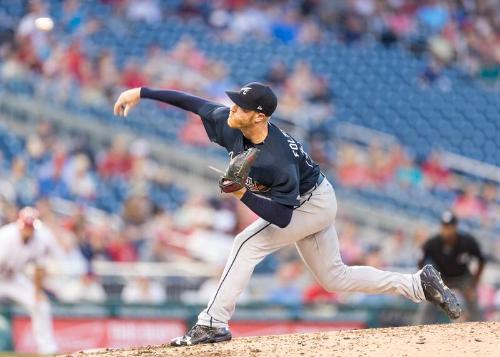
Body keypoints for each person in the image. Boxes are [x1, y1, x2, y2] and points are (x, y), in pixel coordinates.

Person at [113, 82, 461, 347]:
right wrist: (141, 92)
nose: (234, 107)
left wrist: (242, 194)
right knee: (334, 279)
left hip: (312, 202)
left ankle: (212, 322)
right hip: (312, 198)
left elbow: (281, 218)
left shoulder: (276, 159)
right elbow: (193, 103)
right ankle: (417, 284)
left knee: (246, 243)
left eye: (243, 105)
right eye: (236, 101)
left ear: (260, 115)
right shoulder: (232, 121)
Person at [0, 207, 58, 354]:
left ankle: (47, 349)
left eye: (30, 226)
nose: (28, 230)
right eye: (26, 226)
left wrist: (37, 292)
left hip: (12, 278)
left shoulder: (39, 239)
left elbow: (39, 269)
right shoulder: (6, 236)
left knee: (41, 304)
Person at [416, 210, 485, 323]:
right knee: (428, 299)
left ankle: (482, 328)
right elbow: (420, 260)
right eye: (444, 227)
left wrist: (473, 284)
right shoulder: (433, 243)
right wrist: (428, 281)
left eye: (449, 227)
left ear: (455, 227)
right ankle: (420, 328)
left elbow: (482, 260)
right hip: (442, 278)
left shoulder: (467, 242)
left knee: (472, 298)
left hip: (463, 277)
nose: (446, 230)